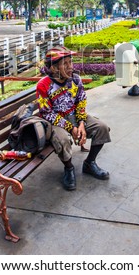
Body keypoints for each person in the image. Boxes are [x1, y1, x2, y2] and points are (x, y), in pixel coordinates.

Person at [36, 46, 111, 191]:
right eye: (66, 63)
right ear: (53, 68)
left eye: (71, 62)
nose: (71, 67)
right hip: (56, 122)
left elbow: (81, 101)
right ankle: (69, 168)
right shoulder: (43, 85)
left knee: (101, 128)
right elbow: (47, 113)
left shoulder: (75, 79)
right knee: (63, 140)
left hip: (75, 117)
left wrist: (81, 124)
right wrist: (71, 128)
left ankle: (89, 163)